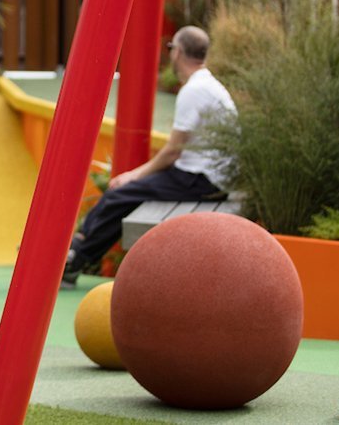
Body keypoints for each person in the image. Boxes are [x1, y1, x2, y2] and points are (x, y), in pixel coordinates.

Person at [62, 26, 237, 289]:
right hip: (210, 177)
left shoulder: (194, 90)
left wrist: (133, 175)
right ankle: (78, 250)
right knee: (122, 195)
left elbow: (173, 151)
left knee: (119, 195)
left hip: (203, 181)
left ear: (177, 52)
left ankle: (75, 258)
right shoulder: (209, 85)